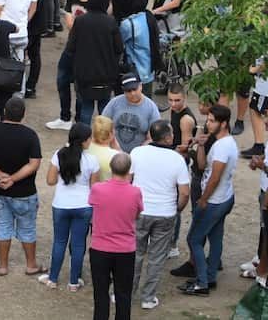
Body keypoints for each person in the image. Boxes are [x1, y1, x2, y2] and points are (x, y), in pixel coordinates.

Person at [0, 98, 43, 277]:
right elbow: (34, 163)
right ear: (23, 114)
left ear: (4, 111)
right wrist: (13, 178)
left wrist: (0, 175)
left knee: (3, 225)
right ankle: (31, 264)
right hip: (25, 191)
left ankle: (3, 266)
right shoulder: (30, 135)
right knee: (27, 228)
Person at [130, 120, 191, 311]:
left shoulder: (137, 152)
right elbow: (184, 193)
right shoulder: (176, 159)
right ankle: (148, 297)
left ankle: (123, 292)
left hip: (140, 211)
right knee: (157, 257)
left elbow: (128, 179)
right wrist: (177, 209)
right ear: (167, 137)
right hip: (165, 213)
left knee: (135, 254)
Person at [181, 103, 238, 296]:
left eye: (212, 121)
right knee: (215, 237)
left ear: (224, 124)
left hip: (214, 200)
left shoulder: (223, 147)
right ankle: (210, 277)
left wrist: (204, 200)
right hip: (224, 198)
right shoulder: (220, 143)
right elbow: (203, 165)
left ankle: (202, 283)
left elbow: (214, 178)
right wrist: (202, 146)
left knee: (194, 239)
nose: (208, 124)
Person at [38, 122, 99, 290]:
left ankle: (53, 279)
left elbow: (50, 181)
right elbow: (94, 188)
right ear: (85, 141)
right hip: (83, 205)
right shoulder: (92, 160)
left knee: (59, 242)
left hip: (61, 204)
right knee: (78, 244)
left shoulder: (59, 155)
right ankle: (73, 281)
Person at [88, 153, 144, 320]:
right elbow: (138, 212)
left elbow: (93, 204)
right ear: (129, 170)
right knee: (123, 293)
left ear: (111, 168)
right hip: (125, 250)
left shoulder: (97, 189)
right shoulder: (135, 192)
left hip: (100, 248)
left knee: (100, 292)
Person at [67, 0, 124, 124]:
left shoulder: (80, 21)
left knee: (86, 108)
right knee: (105, 109)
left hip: (84, 74)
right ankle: (103, 139)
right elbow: (119, 48)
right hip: (106, 74)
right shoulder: (111, 22)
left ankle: (83, 139)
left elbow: (71, 47)